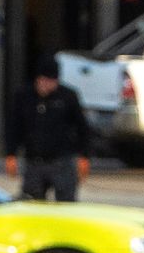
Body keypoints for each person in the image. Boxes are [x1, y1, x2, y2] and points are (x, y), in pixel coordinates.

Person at [5, 64, 92, 202]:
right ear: (38, 80)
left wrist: (84, 156)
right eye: (46, 81)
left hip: (62, 161)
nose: (49, 85)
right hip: (34, 160)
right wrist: (11, 154)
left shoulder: (67, 96)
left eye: (53, 81)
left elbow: (83, 128)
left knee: (66, 204)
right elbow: (14, 127)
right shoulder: (24, 97)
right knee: (32, 202)